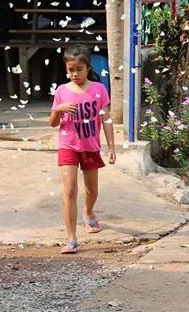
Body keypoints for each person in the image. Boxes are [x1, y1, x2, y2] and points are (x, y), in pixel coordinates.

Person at [48, 45, 116, 254]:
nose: (75, 74)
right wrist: (58, 109)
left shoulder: (99, 90)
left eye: (79, 69)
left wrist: (111, 147)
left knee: (91, 190)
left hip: (90, 146)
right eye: (71, 70)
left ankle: (88, 212)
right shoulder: (61, 91)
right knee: (69, 191)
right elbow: (52, 123)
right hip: (68, 145)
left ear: (88, 67)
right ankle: (71, 239)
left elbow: (107, 120)